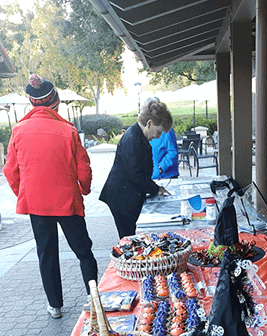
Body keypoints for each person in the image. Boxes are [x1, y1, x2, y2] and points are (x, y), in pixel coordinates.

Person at [3, 74, 97, 320]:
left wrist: (25, 193)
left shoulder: (19, 130)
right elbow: (83, 169)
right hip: (68, 203)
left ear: (32, 104)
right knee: (83, 250)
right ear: (55, 103)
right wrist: (84, 190)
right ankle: (93, 297)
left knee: (46, 254)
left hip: (37, 205)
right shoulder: (68, 131)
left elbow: (10, 171)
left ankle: (55, 306)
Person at [99, 99, 172, 240]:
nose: (158, 136)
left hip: (128, 194)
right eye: (158, 131)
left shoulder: (139, 136)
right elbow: (136, 175)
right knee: (128, 241)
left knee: (130, 238)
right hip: (122, 198)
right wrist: (156, 189)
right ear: (149, 123)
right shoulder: (132, 138)